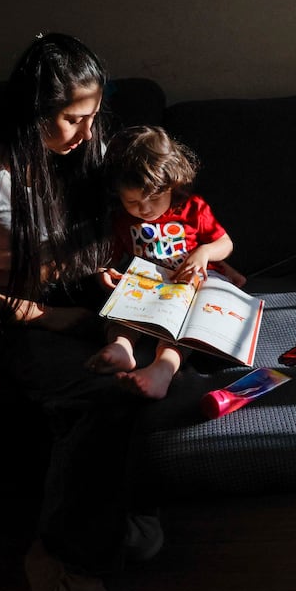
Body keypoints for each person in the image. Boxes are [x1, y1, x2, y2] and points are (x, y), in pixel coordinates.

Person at [0, 32, 160, 591]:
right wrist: (43, 316)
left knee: (148, 373)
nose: (86, 134)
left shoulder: (89, 161)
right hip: (17, 312)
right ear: (34, 113)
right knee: (104, 397)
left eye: (94, 117)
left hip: (94, 295)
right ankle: (63, 553)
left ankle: (101, 517)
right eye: (74, 120)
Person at [86, 125, 247, 399]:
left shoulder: (193, 208)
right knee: (122, 313)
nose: (145, 209)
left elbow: (226, 243)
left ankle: (163, 369)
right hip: (147, 287)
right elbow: (108, 258)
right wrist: (104, 272)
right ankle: (122, 347)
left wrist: (204, 253)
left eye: (154, 198)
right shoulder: (121, 220)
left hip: (190, 287)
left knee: (183, 331)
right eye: (133, 201)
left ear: (173, 185)